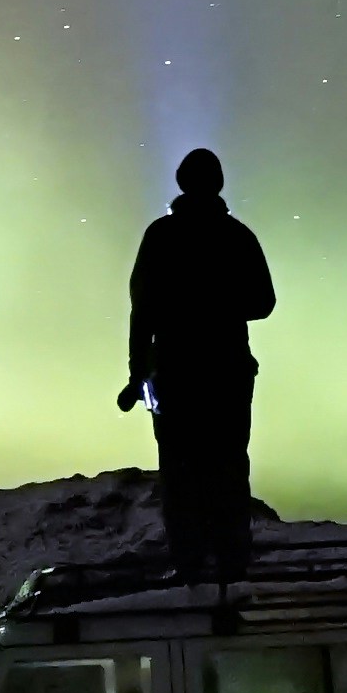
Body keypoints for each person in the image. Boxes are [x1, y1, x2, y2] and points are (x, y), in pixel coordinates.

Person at [119, 145, 274, 583]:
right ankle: (231, 564)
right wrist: (220, 305)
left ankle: (189, 566)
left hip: (174, 375)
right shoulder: (237, 236)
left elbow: (141, 311)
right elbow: (263, 303)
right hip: (225, 373)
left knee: (181, 473)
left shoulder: (161, 236)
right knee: (227, 468)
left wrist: (136, 371)